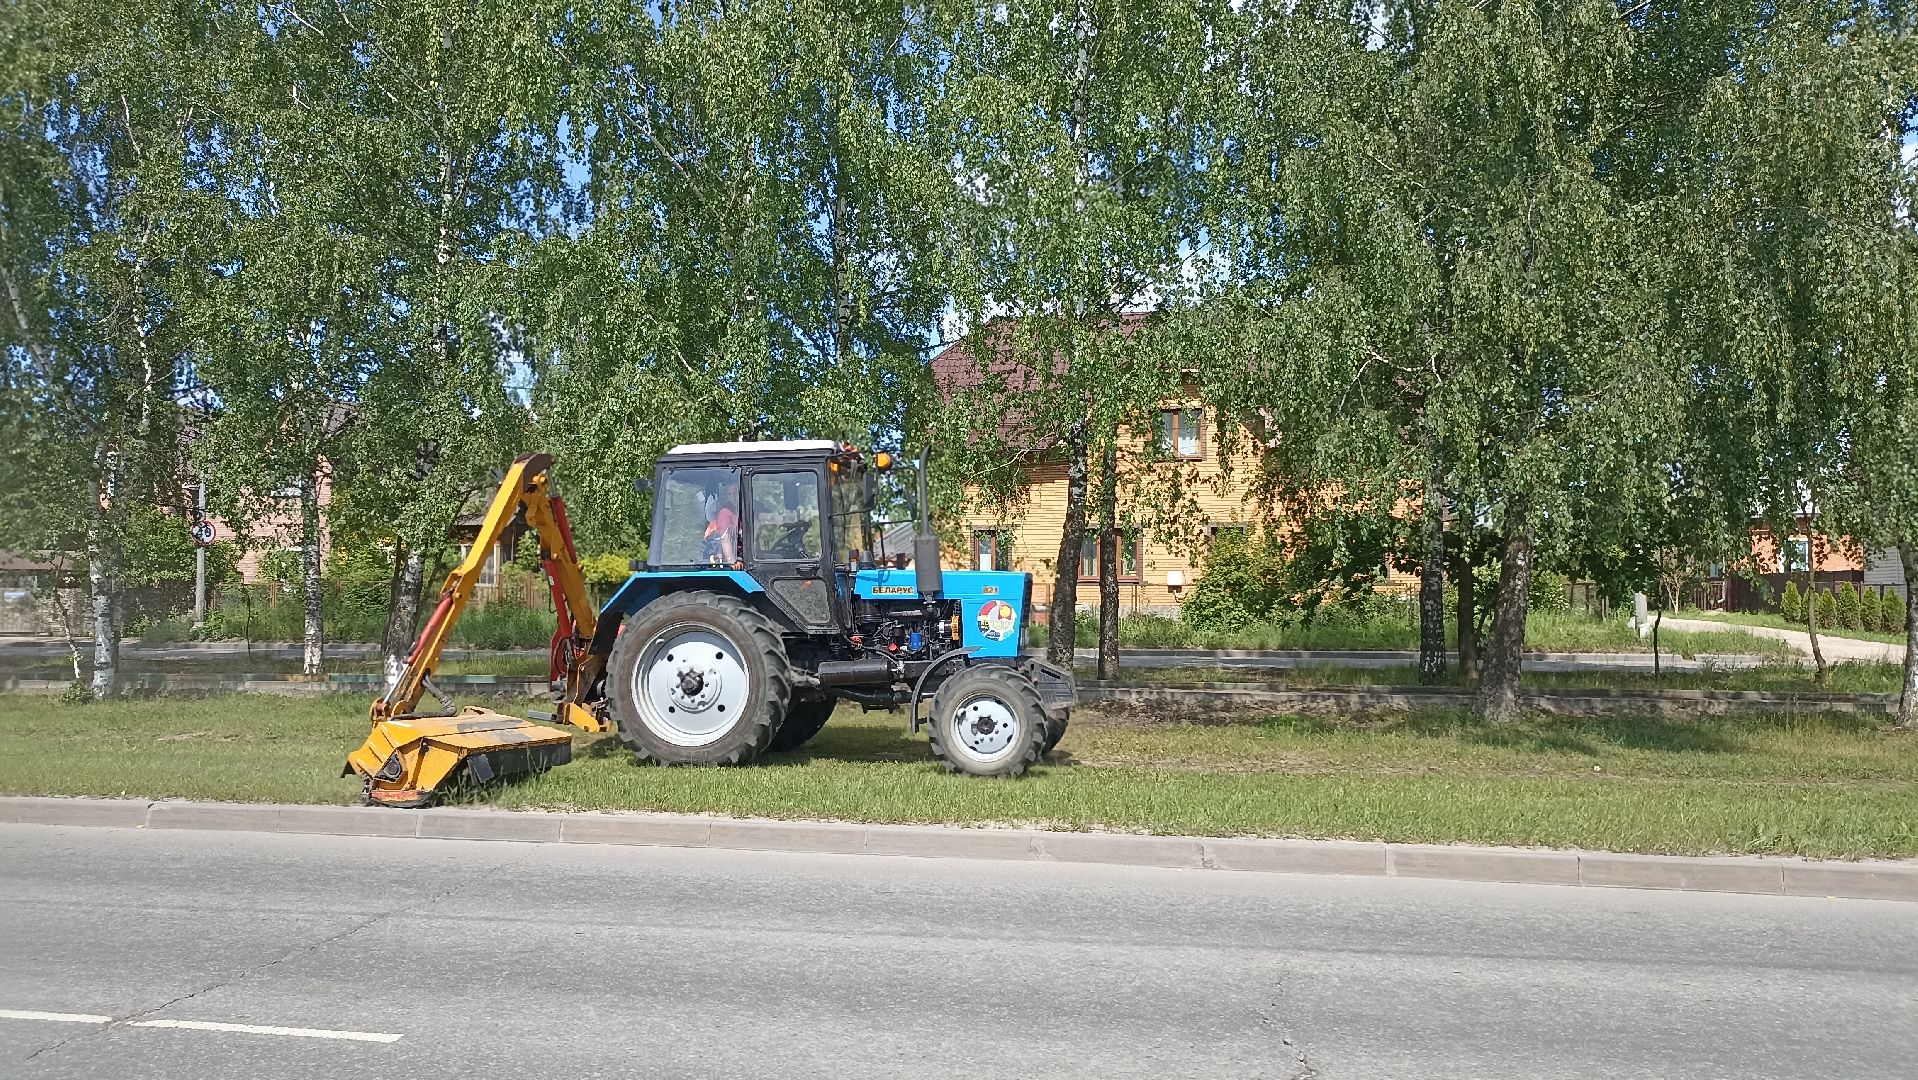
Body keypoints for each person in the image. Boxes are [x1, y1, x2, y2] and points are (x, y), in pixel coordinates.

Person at [701, 479, 739, 565]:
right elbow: (725, 538)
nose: (733, 497)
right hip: (733, 558)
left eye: (735, 494)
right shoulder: (725, 512)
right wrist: (731, 562)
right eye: (730, 494)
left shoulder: (747, 506)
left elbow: (763, 515)